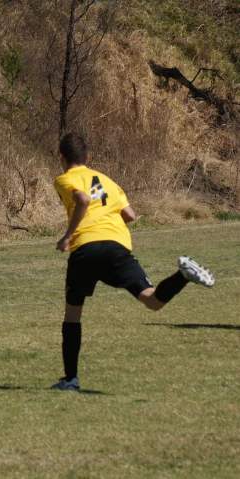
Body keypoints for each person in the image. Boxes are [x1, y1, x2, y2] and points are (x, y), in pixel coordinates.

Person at [51, 132, 214, 392]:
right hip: (117, 245)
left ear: (61, 157)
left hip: (86, 248)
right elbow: (129, 214)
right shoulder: (106, 180)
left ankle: (70, 380)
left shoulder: (64, 178)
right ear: (88, 157)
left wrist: (69, 235)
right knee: (151, 300)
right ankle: (182, 275)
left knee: (73, 314)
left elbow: (82, 199)